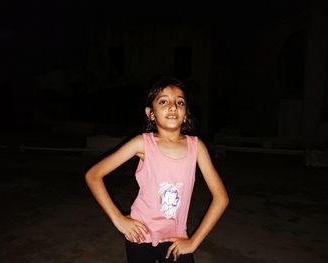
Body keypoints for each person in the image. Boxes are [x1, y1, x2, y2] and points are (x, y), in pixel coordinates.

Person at [85, 76, 229, 262]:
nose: (173, 106)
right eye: (163, 101)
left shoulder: (197, 147)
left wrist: (193, 242)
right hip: (139, 234)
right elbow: (93, 175)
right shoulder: (142, 143)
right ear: (151, 113)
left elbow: (221, 198)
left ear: (185, 113)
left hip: (176, 237)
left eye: (180, 102)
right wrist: (118, 219)